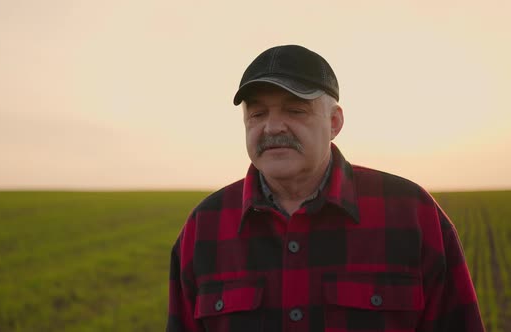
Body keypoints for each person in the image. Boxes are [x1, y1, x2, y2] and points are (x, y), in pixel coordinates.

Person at [166, 45, 484, 332]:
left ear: (334, 123)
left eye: (295, 110)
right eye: (258, 113)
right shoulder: (203, 227)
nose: (273, 126)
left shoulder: (413, 214)